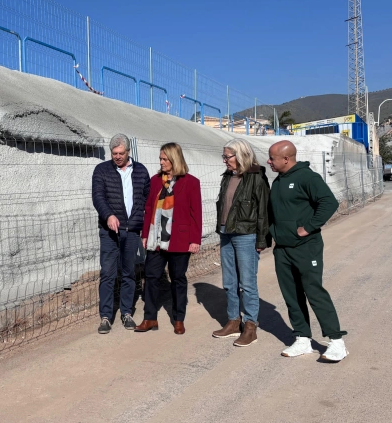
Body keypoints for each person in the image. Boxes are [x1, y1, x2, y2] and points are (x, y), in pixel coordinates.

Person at [266, 140, 348, 362]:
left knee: (313, 292)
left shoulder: (307, 177)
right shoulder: (278, 181)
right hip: (282, 249)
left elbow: (328, 202)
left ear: (286, 158)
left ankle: (336, 341)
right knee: (291, 295)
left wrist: (309, 227)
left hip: (305, 247)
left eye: (272, 158)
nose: (268, 161)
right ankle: (302, 338)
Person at [134, 143, 202, 335]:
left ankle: (178, 319)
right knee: (151, 276)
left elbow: (196, 213)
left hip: (180, 239)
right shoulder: (156, 181)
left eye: (165, 159)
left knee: (178, 278)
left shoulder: (191, 182)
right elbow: (149, 209)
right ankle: (150, 318)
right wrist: (145, 234)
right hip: (156, 239)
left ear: (174, 159)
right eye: (160, 159)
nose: (161, 162)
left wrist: (194, 239)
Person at [211, 138, 271, 347]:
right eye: (224, 156)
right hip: (226, 233)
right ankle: (233, 321)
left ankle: (250, 326)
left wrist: (262, 239)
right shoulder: (228, 177)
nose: (225, 161)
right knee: (229, 282)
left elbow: (264, 211)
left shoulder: (256, 177)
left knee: (247, 283)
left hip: (247, 235)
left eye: (227, 156)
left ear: (240, 155)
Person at [91, 134, 151, 334]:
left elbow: (147, 198)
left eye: (121, 153)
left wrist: (142, 222)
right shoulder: (102, 170)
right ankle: (106, 316)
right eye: (114, 153)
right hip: (109, 232)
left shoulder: (141, 171)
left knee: (128, 273)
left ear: (128, 152)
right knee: (108, 274)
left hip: (132, 231)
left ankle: (127, 313)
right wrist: (108, 215)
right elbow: (98, 196)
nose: (117, 157)